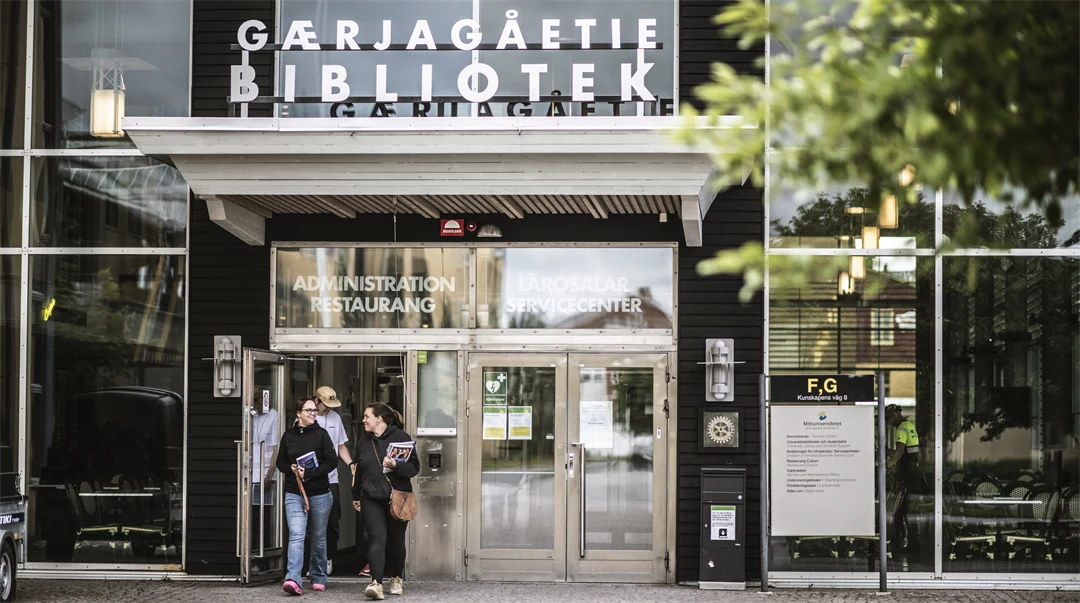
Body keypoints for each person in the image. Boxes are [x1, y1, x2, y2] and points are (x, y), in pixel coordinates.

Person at [351, 402, 419, 600]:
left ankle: (396, 578)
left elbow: (414, 468)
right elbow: (359, 471)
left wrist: (396, 465)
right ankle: (376, 583)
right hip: (371, 497)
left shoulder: (401, 438)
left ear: (379, 419)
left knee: (396, 541)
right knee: (376, 538)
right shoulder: (364, 442)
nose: (363, 420)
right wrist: (356, 495)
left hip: (397, 497)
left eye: (367, 416)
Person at [277, 398, 337, 596]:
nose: (313, 413)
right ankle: (293, 578)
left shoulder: (322, 435)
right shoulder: (288, 435)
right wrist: (291, 468)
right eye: (308, 410)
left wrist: (311, 472)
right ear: (298, 413)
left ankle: (318, 576)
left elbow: (332, 462)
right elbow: (280, 463)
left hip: (320, 493)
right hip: (295, 492)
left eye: (314, 410)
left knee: (318, 538)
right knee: (297, 535)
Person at [309, 385, 354, 577]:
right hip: (311, 478)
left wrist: (351, 464)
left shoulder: (336, 418)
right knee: (311, 521)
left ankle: (328, 557)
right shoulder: (306, 418)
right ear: (316, 401)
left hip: (332, 478)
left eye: (331, 405)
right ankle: (311, 561)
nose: (328, 409)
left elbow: (340, 445)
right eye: (325, 405)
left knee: (333, 520)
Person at [886, 404, 924, 550]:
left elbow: (900, 452)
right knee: (909, 510)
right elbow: (906, 450)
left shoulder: (901, 428)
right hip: (914, 473)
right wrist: (890, 451)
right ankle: (913, 542)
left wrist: (885, 466)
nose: (889, 422)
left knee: (901, 511)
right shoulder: (909, 426)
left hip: (907, 475)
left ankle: (904, 542)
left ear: (895, 415)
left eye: (889, 419)